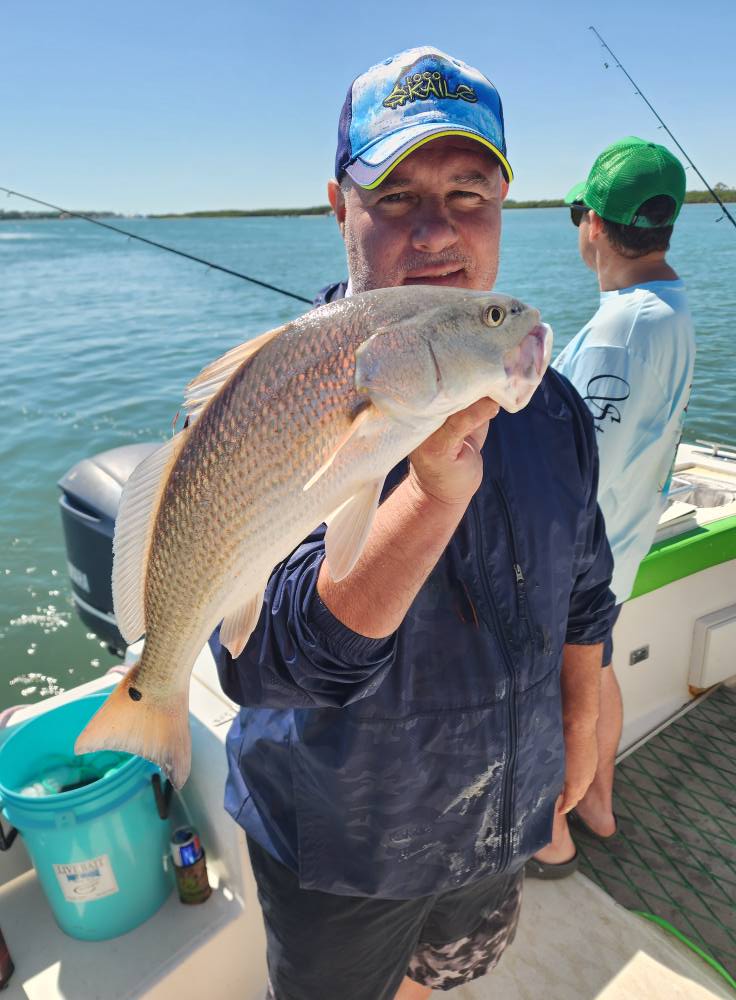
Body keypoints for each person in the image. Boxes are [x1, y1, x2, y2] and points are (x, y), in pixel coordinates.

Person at [214, 46, 614, 1000]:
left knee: (444, 979)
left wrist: (580, 719)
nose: (437, 231)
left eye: (469, 193)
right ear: (338, 207)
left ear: (505, 203)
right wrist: (430, 497)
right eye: (394, 197)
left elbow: (584, 586)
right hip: (340, 847)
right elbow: (261, 663)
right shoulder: (268, 403)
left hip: (498, 814)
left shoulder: (552, 405)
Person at [527, 137, 696, 878]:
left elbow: (574, 471)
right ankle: (598, 804)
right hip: (619, 549)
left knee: (550, 693)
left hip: (576, 566)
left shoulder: (621, 329)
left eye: (578, 214)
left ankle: (553, 841)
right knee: (597, 674)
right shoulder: (671, 305)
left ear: (593, 223)